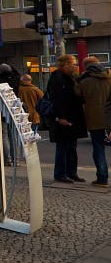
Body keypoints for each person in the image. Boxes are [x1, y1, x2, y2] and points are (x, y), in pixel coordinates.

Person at [47, 54, 87, 183]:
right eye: (72, 64)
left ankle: (72, 172)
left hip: (72, 117)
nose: (75, 66)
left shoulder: (71, 78)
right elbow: (56, 100)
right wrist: (59, 117)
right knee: (63, 147)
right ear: (65, 65)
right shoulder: (57, 78)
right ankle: (60, 173)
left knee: (72, 147)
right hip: (63, 118)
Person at [75, 56, 111, 187]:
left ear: (86, 67)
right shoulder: (109, 76)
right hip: (109, 117)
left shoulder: (85, 81)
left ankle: (102, 178)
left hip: (94, 119)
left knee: (98, 148)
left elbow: (77, 94)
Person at [0, 63, 21, 165]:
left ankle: (8, 159)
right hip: (13, 109)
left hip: (2, 110)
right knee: (14, 136)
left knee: (4, 135)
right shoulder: (16, 79)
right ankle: (16, 159)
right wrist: (12, 68)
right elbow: (17, 73)